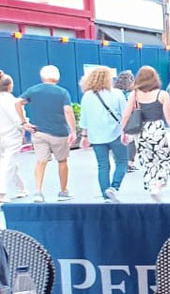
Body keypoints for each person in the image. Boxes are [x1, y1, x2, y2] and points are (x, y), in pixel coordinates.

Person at [118, 66, 170, 202]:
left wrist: (123, 131)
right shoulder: (162, 95)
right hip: (157, 129)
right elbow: (169, 116)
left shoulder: (134, 94)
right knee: (165, 159)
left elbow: (125, 115)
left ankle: (152, 185)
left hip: (140, 131)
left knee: (148, 161)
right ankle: (158, 186)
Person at [15, 65, 76, 202]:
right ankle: (63, 191)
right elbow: (68, 111)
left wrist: (24, 122)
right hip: (60, 132)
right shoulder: (62, 92)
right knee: (62, 161)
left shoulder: (33, 90)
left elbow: (18, 102)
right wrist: (73, 130)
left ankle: (38, 191)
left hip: (39, 132)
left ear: (42, 77)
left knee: (41, 161)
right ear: (57, 77)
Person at [78, 66, 129, 202]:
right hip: (116, 133)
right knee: (122, 161)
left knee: (103, 165)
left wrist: (84, 136)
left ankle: (105, 194)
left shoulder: (87, 96)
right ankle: (114, 187)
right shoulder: (117, 93)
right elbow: (125, 115)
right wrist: (125, 131)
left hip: (96, 136)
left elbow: (84, 119)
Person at [0, 74, 27, 201]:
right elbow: (18, 120)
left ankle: (21, 188)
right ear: (10, 86)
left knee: (8, 163)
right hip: (12, 135)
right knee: (9, 163)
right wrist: (25, 128)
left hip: (2, 135)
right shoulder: (14, 102)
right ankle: (2, 193)